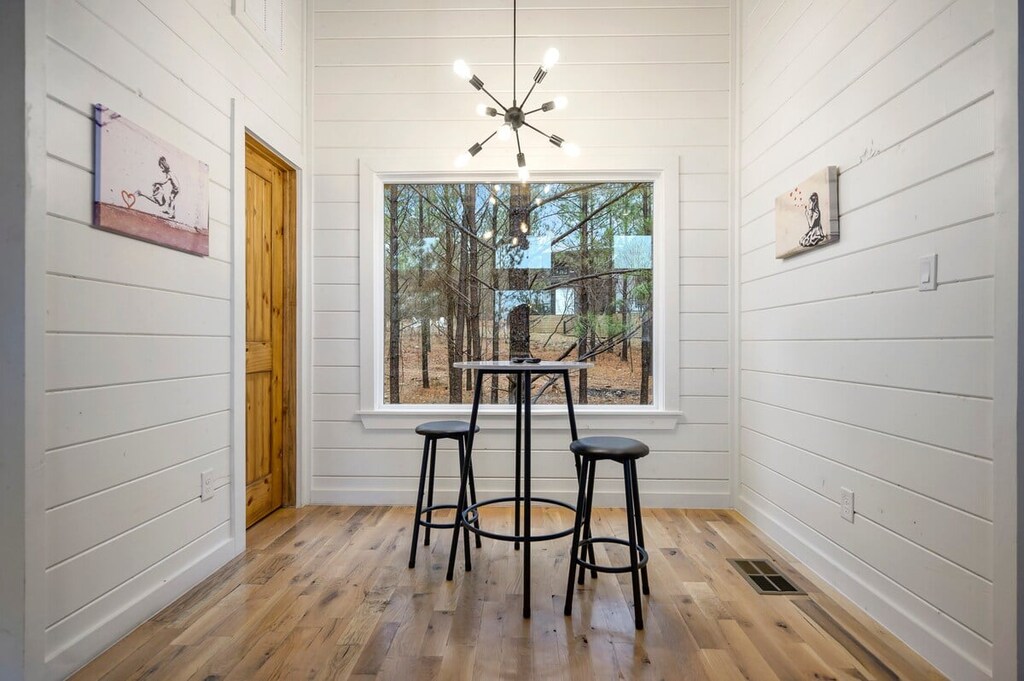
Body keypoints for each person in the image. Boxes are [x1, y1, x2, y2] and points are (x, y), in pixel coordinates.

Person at [136, 156, 179, 221]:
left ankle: (173, 215)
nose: (161, 169)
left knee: (172, 199)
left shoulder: (169, 174)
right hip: (175, 188)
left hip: (175, 189)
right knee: (171, 199)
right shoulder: (169, 173)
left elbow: (164, 181)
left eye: (162, 167)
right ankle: (169, 211)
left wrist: (156, 182)